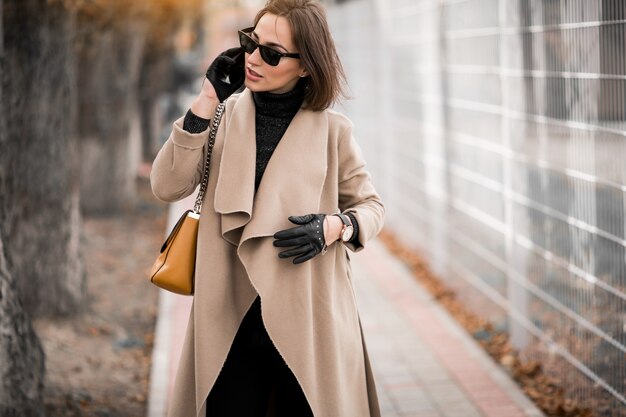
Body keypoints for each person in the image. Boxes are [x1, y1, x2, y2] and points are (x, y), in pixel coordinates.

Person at [150, 0, 385, 415]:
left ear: (306, 65)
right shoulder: (219, 115)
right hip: (228, 313)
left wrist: (336, 226)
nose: (253, 59)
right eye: (250, 43)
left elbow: (370, 206)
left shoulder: (334, 131)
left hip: (308, 317)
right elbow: (167, 186)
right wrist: (206, 99)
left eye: (272, 53)